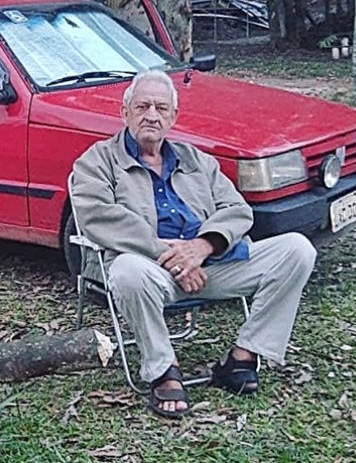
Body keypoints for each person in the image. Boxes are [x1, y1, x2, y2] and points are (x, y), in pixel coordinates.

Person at [70, 69, 316, 420]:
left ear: (173, 116)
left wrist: (201, 247)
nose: (150, 115)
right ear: (124, 113)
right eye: (141, 107)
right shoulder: (97, 160)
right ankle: (162, 370)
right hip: (150, 271)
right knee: (125, 270)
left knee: (297, 249)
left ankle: (244, 356)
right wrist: (168, 255)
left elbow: (237, 209)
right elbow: (95, 215)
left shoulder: (197, 159)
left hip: (211, 266)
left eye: (160, 108)